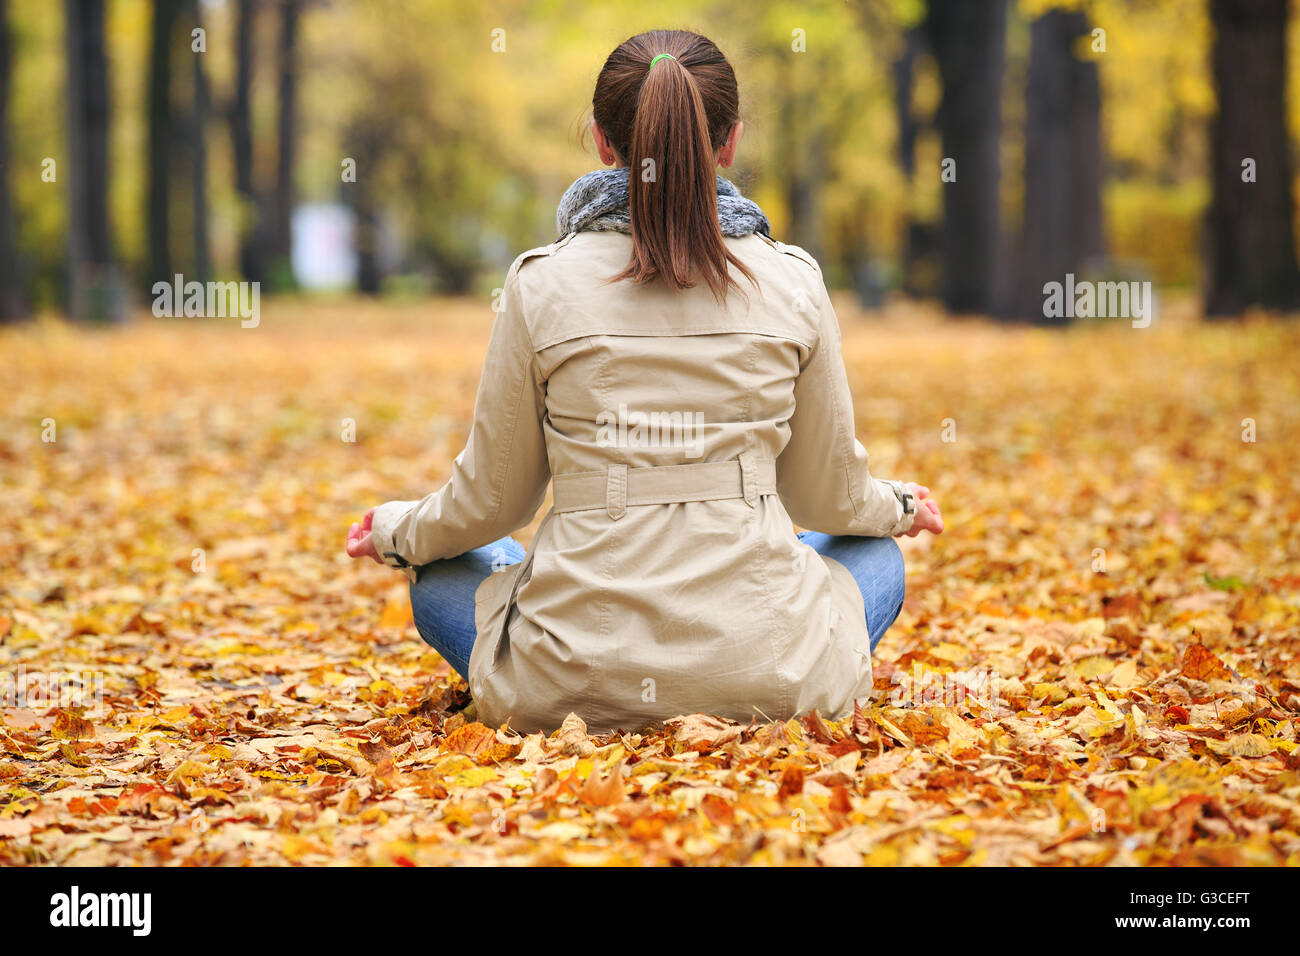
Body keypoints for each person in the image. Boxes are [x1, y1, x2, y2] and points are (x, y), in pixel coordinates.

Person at [346, 28, 944, 734]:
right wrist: (900, 507)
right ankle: (760, 674)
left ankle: (578, 681)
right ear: (729, 143)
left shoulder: (541, 283)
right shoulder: (793, 279)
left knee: (446, 569)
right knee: (873, 554)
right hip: (774, 675)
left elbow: (490, 504)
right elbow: (828, 498)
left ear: (602, 141)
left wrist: (395, 530)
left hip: (568, 684)